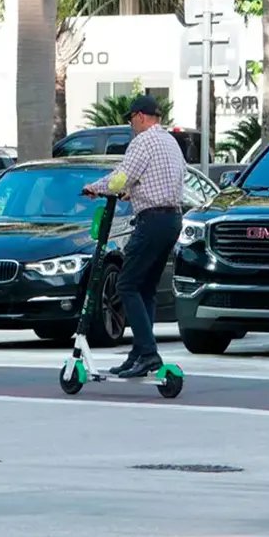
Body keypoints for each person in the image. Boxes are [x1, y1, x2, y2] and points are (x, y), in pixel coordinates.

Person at [82, 95, 185, 378]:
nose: (131, 125)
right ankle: (139, 352)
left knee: (127, 284)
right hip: (172, 218)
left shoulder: (143, 142)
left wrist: (95, 187)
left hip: (151, 221)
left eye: (131, 119)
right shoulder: (169, 142)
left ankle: (149, 353)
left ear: (140, 116)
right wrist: (133, 191)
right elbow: (164, 179)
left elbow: (120, 178)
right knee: (146, 287)